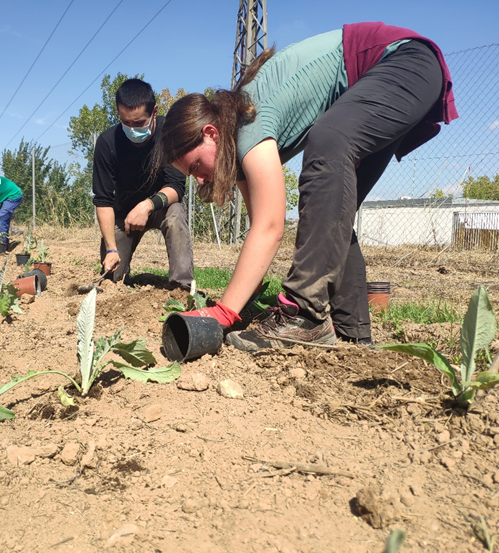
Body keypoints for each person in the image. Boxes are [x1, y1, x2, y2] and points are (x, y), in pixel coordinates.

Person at [155, 22, 458, 350]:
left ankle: (304, 313)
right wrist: (236, 303)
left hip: (404, 62)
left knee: (327, 141)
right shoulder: (237, 153)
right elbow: (260, 232)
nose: (199, 179)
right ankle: (353, 334)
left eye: (195, 166)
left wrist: (223, 313)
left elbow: (271, 228)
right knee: (332, 210)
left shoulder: (247, 127)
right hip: (393, 75)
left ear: (211, 134)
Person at [93, 78, 194, 290]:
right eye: (125, 122)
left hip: (160, 207)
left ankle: (182, 287)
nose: (132, 129)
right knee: (112, 280)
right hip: (124, 215)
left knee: (175, 215)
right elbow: (103, 201)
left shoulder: (169, 134)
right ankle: (118, 276)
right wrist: (111, 248)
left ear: (154, 112)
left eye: (139, 123)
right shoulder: (107, 143)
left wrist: (146, 206)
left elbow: (176, 188)